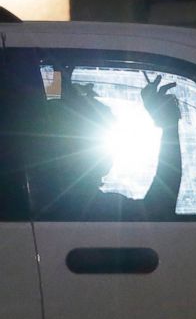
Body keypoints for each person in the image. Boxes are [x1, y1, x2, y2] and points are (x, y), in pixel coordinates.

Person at [29, 73, 182, 221]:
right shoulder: (95, 209)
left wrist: (61, 78)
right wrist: (169, 126)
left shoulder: (33, 202)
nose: (111, 156)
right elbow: (158, 210)